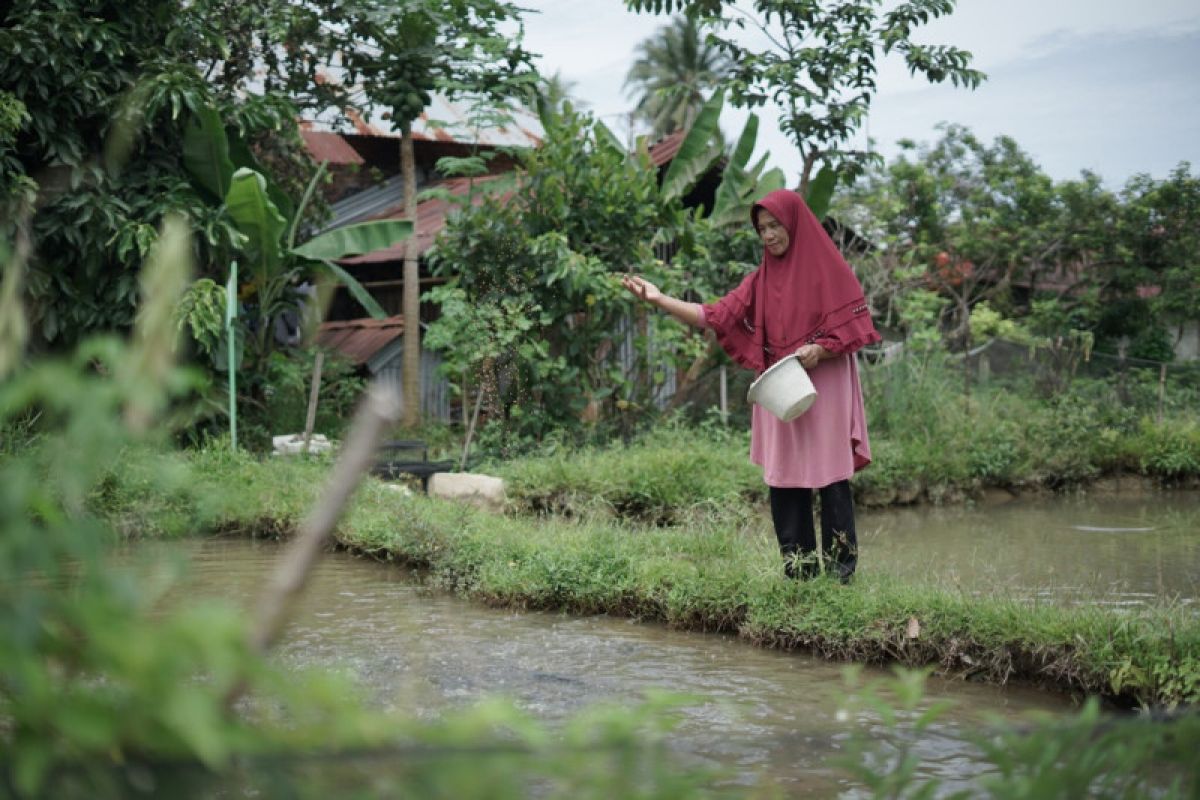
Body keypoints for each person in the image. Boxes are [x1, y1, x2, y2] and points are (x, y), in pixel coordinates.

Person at [621, 189, 881, 582]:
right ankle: (799, 574)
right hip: (780, 385)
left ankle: (841, 578)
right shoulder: (760, 281)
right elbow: (713, 315)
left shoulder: (830, 269)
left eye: (775, 225)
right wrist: (660, 299)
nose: (769, 235)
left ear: (794, 222)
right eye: (762, 228)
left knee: (830, 478)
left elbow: (856, 328)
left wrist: (820, 350)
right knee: (785, 478)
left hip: (826, 383)